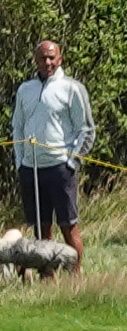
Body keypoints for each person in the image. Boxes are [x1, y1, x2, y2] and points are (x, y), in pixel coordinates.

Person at [12, 40, 94, 264]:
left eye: (51, 57)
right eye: (42, 58)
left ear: (60, 58)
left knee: (68, 226)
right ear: (35, 60)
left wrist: (71, 162)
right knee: (41, 228)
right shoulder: (25, 90)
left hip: (60, 167)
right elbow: (17, 127)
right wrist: (20, 161)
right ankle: (47, 275)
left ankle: (75, 277)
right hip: (31, 168)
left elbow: (86, 130)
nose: (47, 62)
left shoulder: (72, 88)